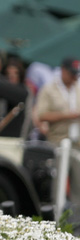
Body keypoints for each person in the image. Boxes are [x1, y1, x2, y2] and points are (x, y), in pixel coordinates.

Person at [34, 57, 80, 227]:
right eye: (72, 73)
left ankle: (76, 222)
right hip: (57, 142)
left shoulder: (78, 87)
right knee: (57, 183)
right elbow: (41, 115)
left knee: (78, 184)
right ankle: (54, 219)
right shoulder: (49, 89)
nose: (74, 77)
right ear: (62, 70)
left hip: (77, 143)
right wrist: (68, 115)